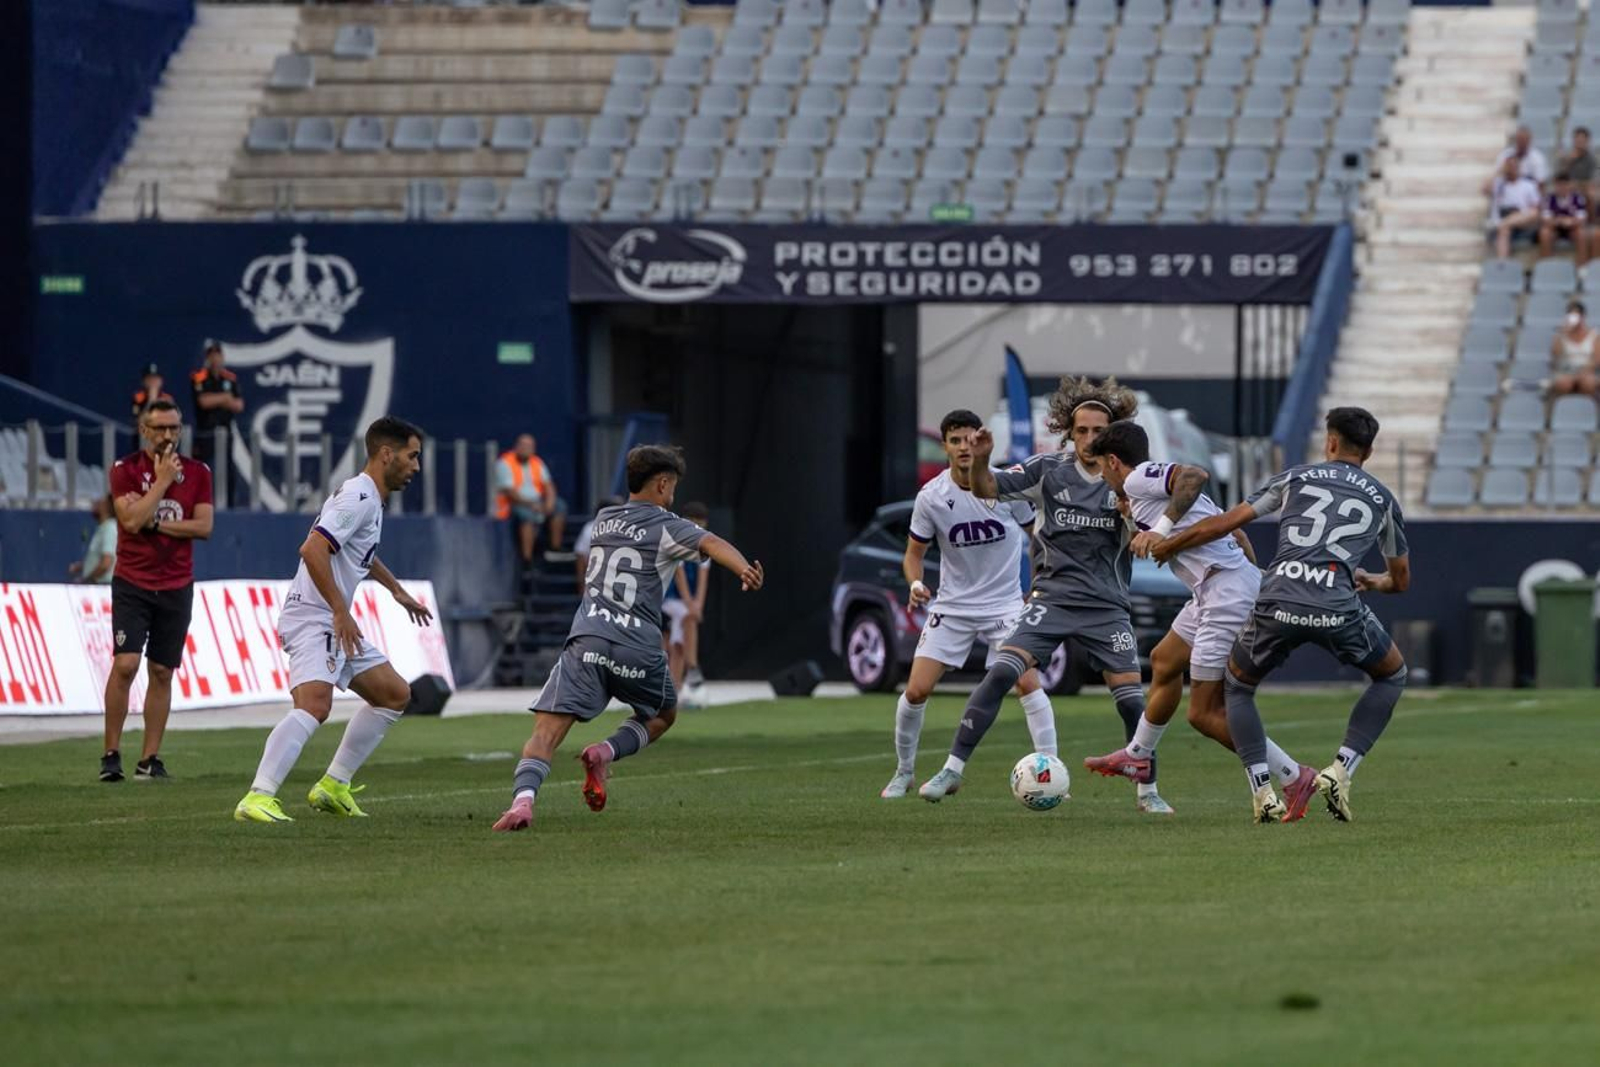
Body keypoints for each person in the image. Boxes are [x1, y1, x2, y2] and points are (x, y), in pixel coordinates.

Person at [919, 377, 1174, 815]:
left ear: (1111, 434)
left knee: (1133, 700)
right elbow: (985, 488)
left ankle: (1148, 792)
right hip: (1050, 600)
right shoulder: (1047, 471)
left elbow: (1154, 533)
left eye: (1099, 432)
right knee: (1001, 673)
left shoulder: (1130, 484)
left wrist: (1143, 527)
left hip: (1107, 607)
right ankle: (952, 769)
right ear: (1069, 433)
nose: (1090, 439)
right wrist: (980, 460)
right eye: (1082, 431)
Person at [1149, 407, 1411, 824]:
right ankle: (1341, 770)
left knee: (1237, 687)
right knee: (1392, 674)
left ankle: (1263, 793)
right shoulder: (1383, 499)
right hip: (1336, 606)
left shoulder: (1296, 477)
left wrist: (1170, 543)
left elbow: (1226, 523)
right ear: (1371, 450)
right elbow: (1400, 581)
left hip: (1277, 600)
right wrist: (1370, 580)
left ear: (1330, 442)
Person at [492, 445, 765, 833]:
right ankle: (604, 752)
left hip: (587, 640)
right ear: (663, 483)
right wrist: (744, 570)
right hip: (636, 646)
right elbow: (711, 544)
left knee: (546, 733)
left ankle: (522, 803)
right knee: (663, 715)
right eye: (673, 487)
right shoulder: (669, 524)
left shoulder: (603, 519)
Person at [1078, 422, 1321, 821]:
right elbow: (1235, 533)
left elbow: (1195, 475)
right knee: (1164, 659)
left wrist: (1160, 530)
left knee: (1204, 714)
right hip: (1218, 589)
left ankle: (1295, 776)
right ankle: (1138, 755)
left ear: (1113, 461)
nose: (1102, 478)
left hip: (1224, 592)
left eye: (1101, 469)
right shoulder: (1141, 497)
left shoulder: (1139, 478)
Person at [233, 417, 436, 823]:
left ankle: (333, 786)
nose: (416, 466)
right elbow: (312, 549)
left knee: (393, 694)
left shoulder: (369, 499)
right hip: (315, 616)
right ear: (386, 453)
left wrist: (394, 589)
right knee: (314, 706)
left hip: (331, 616)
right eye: (412, 456)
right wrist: (341, 611)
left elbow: (356, 551)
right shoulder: (359, 496)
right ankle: (258, 796)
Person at [880, 409, 1058, 800]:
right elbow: (913, 553)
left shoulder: (1007, 485)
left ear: (981, 441)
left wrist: (1040, 583)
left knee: (1027, 683)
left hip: (1005, 607)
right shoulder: (931, 497)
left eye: (970, 439)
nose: (964, 447)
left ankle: (1052, 772)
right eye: (955, 440)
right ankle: (904, 772)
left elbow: (1039, 538)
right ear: (944, 446)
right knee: (916, 691)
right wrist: (914, 583)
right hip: (954, 607)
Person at [102, 400, 213, 782]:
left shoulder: (199, 473)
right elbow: (130, 520)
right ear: (144, 430)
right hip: (133, 581)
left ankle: (149, 759)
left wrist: (154, 523)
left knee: (163, 671)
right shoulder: (125, 470)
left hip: (177, 584)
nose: (168, 436)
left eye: (174, 429)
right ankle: (111, 753)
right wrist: (162, 482)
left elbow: (204, 527)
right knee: (126, 665)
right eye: (160, 428)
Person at [661, 500, 712, 699]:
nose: (697, 528)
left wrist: (698, 604)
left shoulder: (705, 546)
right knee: (688, 619)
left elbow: (703, 580)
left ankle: (676, 689)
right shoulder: (677, 541)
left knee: (678, 645)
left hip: (685, 602)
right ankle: (692, 668)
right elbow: (679, 576)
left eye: (701, 523)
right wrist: (691, 605)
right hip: (668, 600)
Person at [495, 433, 567, 567]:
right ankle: (527, 559)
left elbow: (548, 485)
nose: (526, 449)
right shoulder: (505, 462)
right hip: (514, 504)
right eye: (523, 445)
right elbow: (510, 492)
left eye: (530, 446)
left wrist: (549, 503)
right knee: (527, 516)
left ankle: (555, 548)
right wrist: (533, 505)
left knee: (560, 506)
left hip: (537, 502)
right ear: (516, 446)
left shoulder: (537, 462)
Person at [190, 340, 245, 493]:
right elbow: (203, 402)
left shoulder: (230, 378)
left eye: (218, 355)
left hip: (225, 432)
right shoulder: (199, 377)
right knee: (202, 469)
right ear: (207, 358)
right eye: (212, 355)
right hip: (206, 432)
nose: (215, 359)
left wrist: (219, 399)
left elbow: (239, 405)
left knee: (228, 470)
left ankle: (228, 504)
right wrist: (225, 398)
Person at [1489, 156, 1543, 259]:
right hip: (1504, 219)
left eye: (1514, 165)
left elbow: (1536, 208)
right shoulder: (1499, 184)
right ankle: (1503, 264)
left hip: (1522, 221)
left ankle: (1506, 223)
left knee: (1534, 212)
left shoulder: (1528, 185)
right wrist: (1499, 172)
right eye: (1509, 166)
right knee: (1504, 230)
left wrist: (1517, 215)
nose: (1512, 168)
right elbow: (1485, 188)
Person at [1537, 169, 1590, 265]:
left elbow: (1582, 219)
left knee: (1581, 233)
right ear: (1555, 186)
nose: (1562, 188)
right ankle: (1547, 266)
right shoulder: (1549, 198)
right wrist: (1559, 221)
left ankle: (1582, 267)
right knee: (1544, 233)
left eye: (1564, 184)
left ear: (1569, 185)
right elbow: (1546, 219)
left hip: (1572, 229)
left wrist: (1570, 222)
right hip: (1555, 229)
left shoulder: (1578, 198)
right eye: (1559, 185)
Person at [1550, 300, 1600, 397]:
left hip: (1587, 371)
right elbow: (1555, 356)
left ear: (1583, 317)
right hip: (1566, 371)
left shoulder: (1594, 336)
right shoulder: (1561, 335)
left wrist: (1584, 371)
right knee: (1563, 384)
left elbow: (1597, 359)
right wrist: (1562, 334)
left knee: (1587, 384)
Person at [573, 495, 623, 590]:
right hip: (596, 579)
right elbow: (580, 555)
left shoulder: (626, 529)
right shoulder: (590, 528)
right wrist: (581, 585)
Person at [69, 494, 118, 585]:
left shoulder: (109, 528)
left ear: (108, 508)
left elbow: (106, 563)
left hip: (102, 585)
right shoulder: (103, 528)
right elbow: (100, 558)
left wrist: (88, 579)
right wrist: (82, 566)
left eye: (101, 503)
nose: (96, 505)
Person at [1486, 125, 1549, 190]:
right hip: (1507, 191)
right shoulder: (1506, 154)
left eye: (1524, 139)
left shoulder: (1537, 158)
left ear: (1529, 140)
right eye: (1519, 139)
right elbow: (1496, 173)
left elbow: (1541, 181)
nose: (1522, 142)